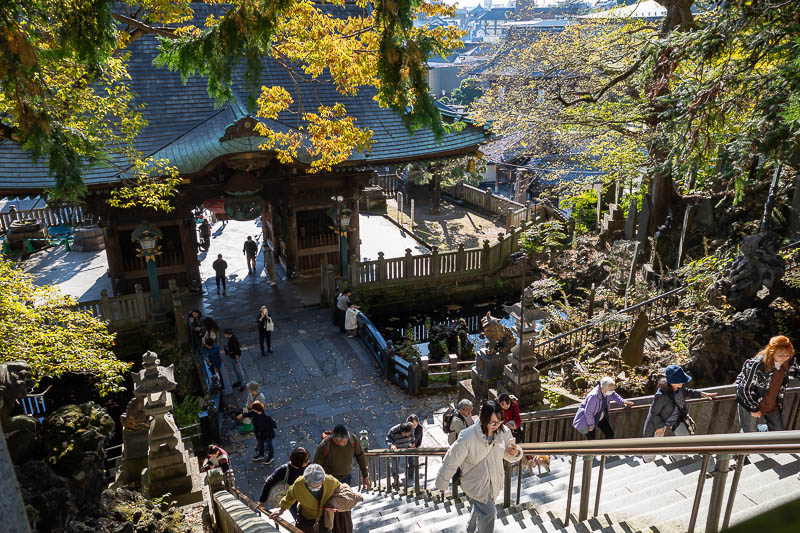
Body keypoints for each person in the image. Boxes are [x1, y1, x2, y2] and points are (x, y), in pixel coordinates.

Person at [436, 401, 523, 533]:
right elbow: (452, 459)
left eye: (499, 421)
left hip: (494, 480)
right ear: (484, 419)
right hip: (474, 482)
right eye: (492, 422)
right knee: (488, 513)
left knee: (481, 507)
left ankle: (470, 529)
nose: (496, 425)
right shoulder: (468, 435)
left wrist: (516, 452)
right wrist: (442, 482)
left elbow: (509, 454)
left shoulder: (503, 432)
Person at [643, 365, 716, 461]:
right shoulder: (660, 395)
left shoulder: (679, 387)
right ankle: (648, 461)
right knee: (654, 444)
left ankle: (675, 457)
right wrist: (659, 426)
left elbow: (688, 392)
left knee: (684, 439)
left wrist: (702, 394)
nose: (683, 382)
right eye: (680, 380)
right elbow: (654, 413)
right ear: (672, 381)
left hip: (675, 417)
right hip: (659, 420)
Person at [736, 335, 799, 432]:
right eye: (780, 355)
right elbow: (744, 388)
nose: (784, 358)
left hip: (771, 402)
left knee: (779, 433)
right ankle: (746, 432)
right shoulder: (757, 364)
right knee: (751, 435)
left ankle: (757, 431)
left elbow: (798, 372)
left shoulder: (789, 362)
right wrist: (753, 408)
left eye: (787, 355)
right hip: (750, 402)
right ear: (771, 352)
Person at [269, 464, 339, 533]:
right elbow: (290, 496)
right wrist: (282, 509)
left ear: (323, 479)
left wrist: (336, 504)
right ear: (305, 480)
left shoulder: (330, 480)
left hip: (325, 519)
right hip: (306, 519)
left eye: (318, 486)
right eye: (312, 486)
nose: (315, 488)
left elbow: (342, 490)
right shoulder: (299, 484)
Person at [258, 447, 310, 519]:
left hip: (305, 497)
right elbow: (269, 482)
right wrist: (261, 501)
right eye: (306, 460)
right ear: (299, 462)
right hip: (292, 500)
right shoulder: (284, 470)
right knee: (298, 519)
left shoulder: (308, 466)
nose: (308, 461)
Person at [313, 424, 371, 488]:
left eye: (346, 439)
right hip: (329, 480)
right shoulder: (324, 445)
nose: (346, 442)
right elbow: (316, 465)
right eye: (342, 441)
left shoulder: (352, 440)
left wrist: (365, 476)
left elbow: (360, 456)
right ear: (334, 439)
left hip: (346, 477)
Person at [447, 399, 475, 486]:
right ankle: (456, 481)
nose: (470, 411)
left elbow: (471, 423)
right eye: (468, 409)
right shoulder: (456, 421)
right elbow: (464, 434)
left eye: (471, 409)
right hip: (456, 442)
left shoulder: (467, 413)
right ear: (461, 410)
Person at [385, 421, 414, 486]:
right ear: (400, 431)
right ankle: (396, 478)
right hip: (396, 449)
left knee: (411, 461)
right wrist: (391, 445)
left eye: (407, 433)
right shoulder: (393, 430)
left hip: (407, 447)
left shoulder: (410, 427)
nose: (406, 435)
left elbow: (413, 436)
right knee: (394, 464)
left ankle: (410, 476)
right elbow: (388, 440)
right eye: (404, 433)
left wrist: (413, 442)